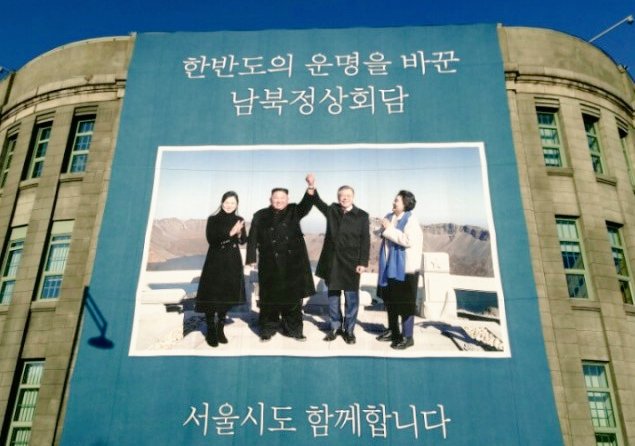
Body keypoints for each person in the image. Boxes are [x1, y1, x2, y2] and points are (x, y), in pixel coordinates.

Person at [246, 178, 316, 341]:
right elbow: (252, 238)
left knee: (293, 301)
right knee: (269, 300)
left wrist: (311, 187)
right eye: (276, 198)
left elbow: (306, 204)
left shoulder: (294, 210)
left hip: (292, 264)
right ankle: (267, 331)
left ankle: (294, 330)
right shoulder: (260, 215)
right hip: (269, 263)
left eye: (282, 198)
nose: (279, 201)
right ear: (270, 199)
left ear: (287, 199)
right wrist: (251, 258)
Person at [307, 176, 370, 344]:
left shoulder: (362, 216)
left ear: (353, 197)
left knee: (351, 299)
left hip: (352, 263)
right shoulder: (332, 210)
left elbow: (365, 241)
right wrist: (312, 186)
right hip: (333, 262)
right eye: (342, 195)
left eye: (348, 195)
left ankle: (349, 331)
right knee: (333, 297)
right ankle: (335, 327)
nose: (345, 198)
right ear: (338, 197)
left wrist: (363, 263)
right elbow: (317, 201)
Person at [195, 191, 247, 347]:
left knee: (226, 294)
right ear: (222, 202)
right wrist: (230, 233)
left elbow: (243, 241)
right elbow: (211, 239)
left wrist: (239, 234)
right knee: (212, 294)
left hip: (232, 261)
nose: (229, 205)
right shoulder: (213, 219)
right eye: (227, 202)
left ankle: (220, 328)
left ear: (237, 205)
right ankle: (211, 329)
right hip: (215, 261)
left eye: (233, 203)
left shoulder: (239, 219)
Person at [376, 190, 423, 350]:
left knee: (405, 303)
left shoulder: (411, 220)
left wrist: (389, 229)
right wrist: (381, 227)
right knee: (391, 300)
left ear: (405, 204)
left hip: (405, 269)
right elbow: (384, 234)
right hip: (389, 266)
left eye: (397, 200)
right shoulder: (390, 216)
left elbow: (408, 240)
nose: (393, 202)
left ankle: (408, 337)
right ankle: (393, 331)